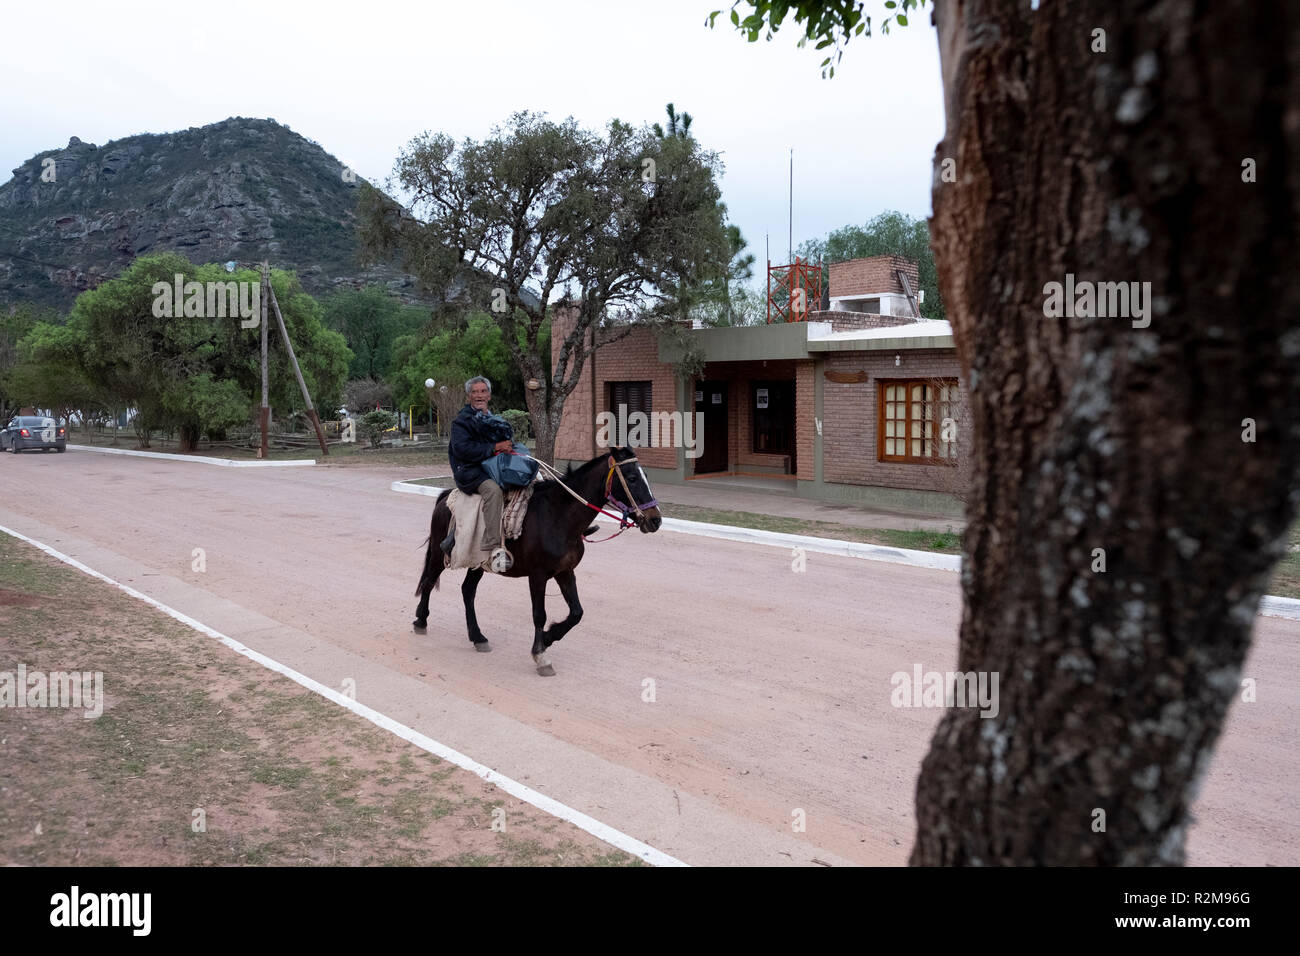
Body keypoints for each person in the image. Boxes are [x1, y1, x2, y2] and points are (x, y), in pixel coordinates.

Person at [446, 376, 514, 571]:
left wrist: (508, 446)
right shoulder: (461, 421)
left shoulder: (492, 419)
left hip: (493, 467)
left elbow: (502, 441)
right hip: (469, 471)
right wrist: (495, 447)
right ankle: (493, 548)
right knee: (493, 491)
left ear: (489, 395)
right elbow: (462, 450)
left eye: (483, 391)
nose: (479, 395)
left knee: (532, 479)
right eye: (475, 392)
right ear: (469, 396)